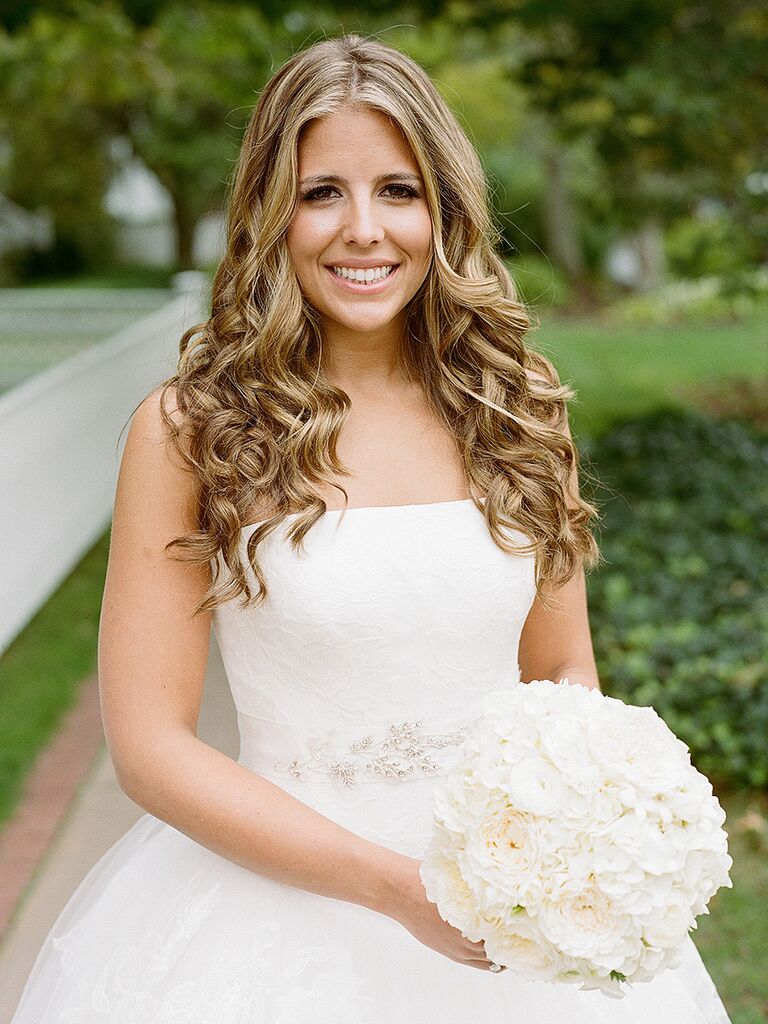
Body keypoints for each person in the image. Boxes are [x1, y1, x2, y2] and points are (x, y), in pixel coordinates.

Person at [11, 33, 731, 1023]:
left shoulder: (516, 407)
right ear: (273, 212)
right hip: (273, 917)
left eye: (398, 190)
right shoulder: (192, 429)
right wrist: (395, 887)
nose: (364, 230)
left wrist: (583, 832)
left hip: (510, 922)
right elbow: (147, 747)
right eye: (321, 193)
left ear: (443, 208)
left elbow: (563, 672)